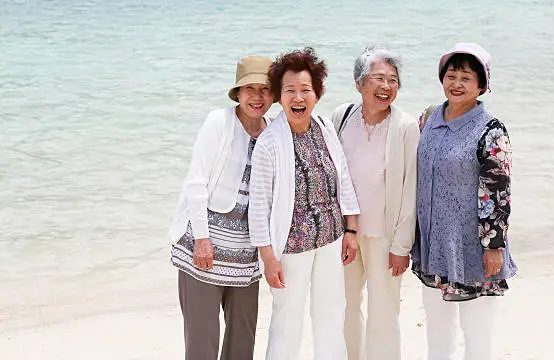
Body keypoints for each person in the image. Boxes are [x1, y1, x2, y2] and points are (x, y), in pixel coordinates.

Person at [248, 47, 360, 360]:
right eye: (290, 91)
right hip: (290, 248)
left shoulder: (324, 127)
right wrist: (268, 257)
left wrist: (351, 230)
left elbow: (344, 180)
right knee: (287, 321)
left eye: (305, 90)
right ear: (278, 97)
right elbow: (258, 207)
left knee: (331, 314)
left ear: (317, 94)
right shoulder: (268, 144)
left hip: (330, 239)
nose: (298, 98)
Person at [411, 43, 518, 360]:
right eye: (451, 75)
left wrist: (494, 246)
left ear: (482, 85)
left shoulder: (491, 130)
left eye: (466, 78)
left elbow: (498, 191)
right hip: (434, 246)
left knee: (476, 332)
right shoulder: (428, 118)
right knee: (436, 326)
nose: (456, 83)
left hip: (474, 248)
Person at [169, 55, 274, 360]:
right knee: (202, 344)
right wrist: (202, 239)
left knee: (242, 342)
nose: (256, 96)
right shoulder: (219, 121)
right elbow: (196, 183)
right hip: (205, 248)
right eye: (249, 89)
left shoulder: (275, 131)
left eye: (264, 89)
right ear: (237, 94)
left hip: (245, 253)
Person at [331, 46, 419, 360]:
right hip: (346, 234)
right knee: (343, 307)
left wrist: (401, 246)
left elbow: (412, 189)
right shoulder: (340, 117)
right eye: (378, 78)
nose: (386, 86)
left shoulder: (406, 127)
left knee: (384, 313)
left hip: (385, 237)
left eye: (393, 80)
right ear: (359, 83)